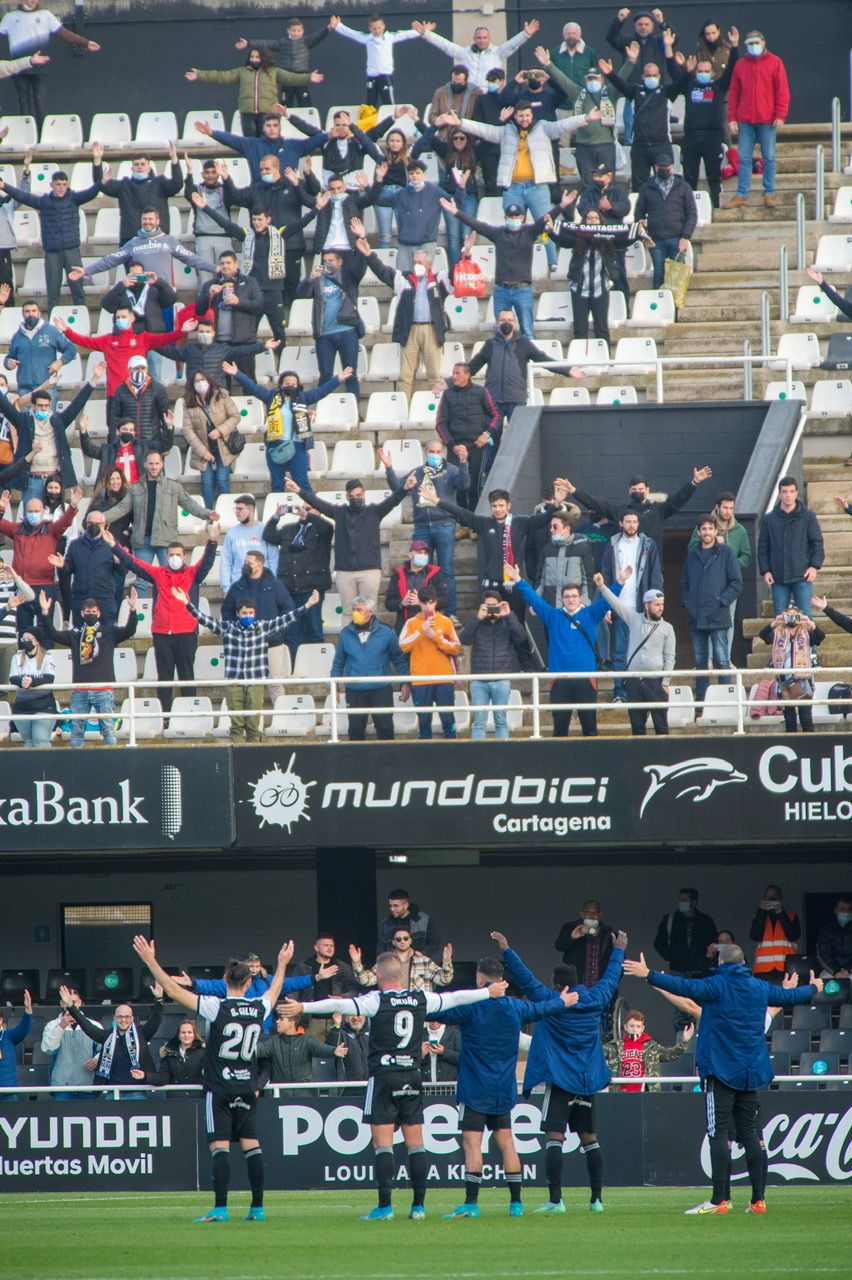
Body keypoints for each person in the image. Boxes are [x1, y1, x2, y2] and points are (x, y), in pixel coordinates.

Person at [278, 950, 508, 1220]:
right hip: (412, 1075)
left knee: (382, 1143)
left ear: (379, 975)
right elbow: (454, 998)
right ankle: (418, 1207)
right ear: (400, 975)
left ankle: (385, 1206)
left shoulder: (376, 1000)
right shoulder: (422, 998)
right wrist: (487, 992)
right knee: (416, 1144)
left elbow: (338, 1005)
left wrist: (303, 1007)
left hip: (384, 1076)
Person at [623, 943, 822, 1213]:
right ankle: (758, 1200)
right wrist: (814, 988)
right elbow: (788, 998)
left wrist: (649, 974)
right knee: (751, 1134)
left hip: (722, 1070)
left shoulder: (717, 985)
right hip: (751, 1071)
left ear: (721, 961)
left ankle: (720, 1200)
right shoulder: (758, 987)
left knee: (718, 1133)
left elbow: (686, 989)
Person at [132, 934, 295, 1222]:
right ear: (248, 983)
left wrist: (149, 960)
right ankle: (257, 1208)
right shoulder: (259, 1007)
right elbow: (276, 988)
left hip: (220, 1088)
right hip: (247, 1087)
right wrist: (282, 964)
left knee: (219, 1147)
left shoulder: (215, 1006)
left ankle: (221, 1208)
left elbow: (171, 988)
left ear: (225, 979)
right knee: (251, 1145)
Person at [491, 926, 627, 1213]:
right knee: (589, 1138)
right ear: (577, 982)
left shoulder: (551, 1001)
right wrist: (618, 951)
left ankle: (556, 1201)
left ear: (556, 985)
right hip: (586, 1079)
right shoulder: (596, 998)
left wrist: (506, 949)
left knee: (555, 1136)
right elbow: (611, 979)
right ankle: (597, 1200)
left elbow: (526, 980)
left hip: (559, 1079)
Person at [437, 955, 575, 1217]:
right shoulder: (515, 1007)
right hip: (503, 1087)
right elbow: (541, 1009)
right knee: (507, 1144)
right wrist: (562, 1001)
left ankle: (471, 1204)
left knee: (472, 1145)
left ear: (479, 979)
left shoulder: (470, 1007)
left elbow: (438, 1010)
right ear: (501, 980)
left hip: (474, 1088)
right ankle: (516, 1204)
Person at [441, 101, 590, 271]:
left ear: (531, 115)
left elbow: (564, 124)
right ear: (516, 117)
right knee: (510, 228)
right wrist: (461, 123)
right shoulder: (506, 131)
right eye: (521, 116)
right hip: (513, 188)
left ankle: (552, 263)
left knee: (545, 224)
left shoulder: (543, 127)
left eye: (527, 115)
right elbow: (484, 129)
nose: (524, 119)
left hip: (537, 186)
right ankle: (511, 263)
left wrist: (586, 118)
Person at [175, 585, 317, 742]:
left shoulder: (262, 627)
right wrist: (187, 604)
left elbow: (287, 618)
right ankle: (237, 759)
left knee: (253, 727)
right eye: (244, 613)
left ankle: (252, 758)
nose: (247, 616)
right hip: (234, 682)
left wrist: (308, 605)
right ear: (237, 614)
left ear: (255, 614)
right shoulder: (228, 628)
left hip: (255, 682)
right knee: (236, 728)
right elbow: (205, 620)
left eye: (250, 613)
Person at [102, 525, 217, 715]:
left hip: (187, 633)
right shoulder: (158, 574)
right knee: (164, 678)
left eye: (178, 554)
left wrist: (212, 541)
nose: (174, 558)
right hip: (162, 633)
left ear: (185, 556)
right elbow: (134, 564)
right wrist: (114, 545)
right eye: (171, 554)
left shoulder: (192, 574)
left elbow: (207, 562)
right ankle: (165, 715)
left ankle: (190, 714)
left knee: (187, 676)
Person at [506, 560, 628, 737]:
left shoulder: (590, 614)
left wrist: (621, 582)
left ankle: (591, 764)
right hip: (560, 680)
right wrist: (518, 579)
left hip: (586, 679)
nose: (571, 599)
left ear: (580, 598)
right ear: (562, 599)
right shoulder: (553, 616)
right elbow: (534, 599)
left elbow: (607, 601)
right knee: (559, 730)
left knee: (590, 729)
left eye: (574, 596)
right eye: (567, 596)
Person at [190, 192, 317, 342]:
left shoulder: (280, 234)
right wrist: (205, 207)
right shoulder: (246, 235)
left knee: (279, 334)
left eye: (260, 219)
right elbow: (226, 225)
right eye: (254, 219)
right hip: (252, 292)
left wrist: (317, 209)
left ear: (268, 220)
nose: (257, 222)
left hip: (273, 291)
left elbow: (300, 224)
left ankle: (280, 364)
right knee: (248, 334)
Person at [287, 475, 410, 622]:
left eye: (358, 495)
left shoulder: (374, 511)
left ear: (364, 494)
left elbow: (393, 501)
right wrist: (299, 491)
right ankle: (346, 644)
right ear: (346, 496)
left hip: (369, 570)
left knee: (369, 611)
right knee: (347, 613)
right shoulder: (339, 513)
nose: (355, 498)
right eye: (351, 496)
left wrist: (404, 488)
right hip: (345, 572)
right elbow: (318, 503)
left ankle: (370, 644)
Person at [224, 362, 349, 496]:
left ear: (298, 385)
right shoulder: (271, 397)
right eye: (287, 383)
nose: (290, 386)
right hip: (275, 446)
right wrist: (237, 374)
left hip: (298, 446)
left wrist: (338, 379)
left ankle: (311, 511)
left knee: (302, 484)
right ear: (281, 385)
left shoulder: (304, 397)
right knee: (277, 484)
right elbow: (253, 387)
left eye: (293, 384)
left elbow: (322, 391)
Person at [547, 195, 654, 342]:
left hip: (601, 289)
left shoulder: (609, 239)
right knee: (580, 329)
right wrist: (550, 231)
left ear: (601, 221)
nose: (593, 221)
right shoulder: (577, 238)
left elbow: (624, 239)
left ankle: (605, 361)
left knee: (602, 328)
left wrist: (638, 230)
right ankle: (579, 362)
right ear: (584, 221)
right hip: (579, 289)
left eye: (596, 218)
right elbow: (562, 239)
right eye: (589, 218)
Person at [40, 585, 138, 746]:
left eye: (93, 612)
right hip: (80, 689)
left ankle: (113, 764)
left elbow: (129, 630)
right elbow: (52, 634)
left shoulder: (109, 632)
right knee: (76, 731)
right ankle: (76, 767)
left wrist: (133, 610)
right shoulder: (75, 634)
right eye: (87, 611)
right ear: (81, 613)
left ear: (99, 613)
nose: (90, 614)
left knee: (108, 730)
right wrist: (45, 612)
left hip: (104, 690)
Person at [356, 239, 451, 401]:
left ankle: (437, 413)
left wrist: (467, 253)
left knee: (434, 375)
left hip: (432, 331)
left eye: (420, 261)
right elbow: (383, 271)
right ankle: (403, 411)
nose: (417, 265)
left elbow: (456, 274)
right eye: (415, 262)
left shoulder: (439, 279)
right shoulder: (404, 280)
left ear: (429, 263)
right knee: (405, 376)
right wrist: (369, 255)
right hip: (410, 330)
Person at [383, 439, 468, 619]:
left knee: (446, 570)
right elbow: (397, 487)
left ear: (443, 453)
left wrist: (463, 463)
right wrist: (389, 468)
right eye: (432, 451)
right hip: (422, 527)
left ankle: (450, 613)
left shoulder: (451, 470)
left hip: (444, 524)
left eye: (438, 452)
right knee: (419, 570)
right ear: (425, 452)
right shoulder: (418, 472)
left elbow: (464, 484)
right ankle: (420, 610)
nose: (435, 455)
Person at [102, 450, 216, 583]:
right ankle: (139, 604)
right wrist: (101, 518)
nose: (154, 466)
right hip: (142, 541)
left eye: (157, 463)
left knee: (169, 579)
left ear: (162, 464)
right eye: (151, 463)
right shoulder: (134, 488)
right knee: (141, 582)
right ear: (145, 464)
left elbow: (189, 504)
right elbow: (121, 508)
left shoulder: (174, 486)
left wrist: (207, 514)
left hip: (166, 540)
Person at [0, 167, 98, 313]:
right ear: (52, 185)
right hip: (52, 252)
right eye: (58, 184)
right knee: (53, 293)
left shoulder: (74, 199)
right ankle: (52, 322)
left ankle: (82, 320)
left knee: (78, 290)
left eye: (64, 184)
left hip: (72, 250)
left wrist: (98, 167)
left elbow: (93, 191)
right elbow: (23, 196)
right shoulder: (44, 202)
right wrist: (5, 186)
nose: (61, 187)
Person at [600, 32, 687, 192]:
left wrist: (686, 68)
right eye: (648, 75)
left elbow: (682, 82)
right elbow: (621, 85)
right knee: (639, 187)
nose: (651, 77)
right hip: (639, 146)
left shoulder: (667, 91)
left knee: (667, 185)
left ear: (660, 76)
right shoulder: (635, 90)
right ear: (642, 76)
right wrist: (610, 74)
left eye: (654, 75)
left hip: (661, 144)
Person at [562, 466, 712, 556]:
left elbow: (678, 500)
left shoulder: (658, 510)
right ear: (629, 491)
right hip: (627, 568)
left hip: (651, 565)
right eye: (634, 490)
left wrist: (694, 482)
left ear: (647, 490)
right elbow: (596, 504)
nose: (638, 492)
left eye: (641, 489)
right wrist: (574, 491)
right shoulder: (620, 511)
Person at [54, 309, 190, 404]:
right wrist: (67, 330)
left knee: (138, 436)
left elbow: (164, 339)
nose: (120, 320)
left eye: (123, 317)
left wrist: (181, 331)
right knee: (115, 438)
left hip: (138, 394)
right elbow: (84, 341)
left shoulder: (143, 339)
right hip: (115, 395)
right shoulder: (107, 341)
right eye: (118, 318)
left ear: (132, 318)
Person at [468, 310, 581, 422]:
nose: (506, 323)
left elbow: (543, 359)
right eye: (503, 320)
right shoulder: (490, 344)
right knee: (492, 438)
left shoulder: (523, 343)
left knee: (517, 436)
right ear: (497, 323)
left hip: (517, 399)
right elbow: (471, 367)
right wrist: (452, 381)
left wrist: (567, 370)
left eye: (510, 320)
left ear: (515, 323)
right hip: (493, 400)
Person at [0, 483, 83, 636]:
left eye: (36, 511)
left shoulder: (51, 529)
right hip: (21, 585)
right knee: (23, 628)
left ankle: (46, 657)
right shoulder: (17, 529)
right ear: (25, 512)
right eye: (30, 511)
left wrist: (72, 506)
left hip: (45, 585)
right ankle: (24, 657)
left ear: (43, 512)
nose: (33, 513)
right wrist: (1, 508)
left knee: (45, 627)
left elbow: (65, 522)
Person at [1, 371, 95, 503]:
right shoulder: (23, 420)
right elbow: (6, 408)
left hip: (54, 482)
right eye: (40, 406)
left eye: (46, 406)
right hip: (32, 480)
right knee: (31, 519)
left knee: (54, 521)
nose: (43, 409)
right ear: (33, 406)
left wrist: (93, 379)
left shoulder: (58, 421)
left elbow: (76, 405)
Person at [533, 49, 621, 186]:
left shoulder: (610, 92)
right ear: (585, 80)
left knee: (608, 184)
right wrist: (548, 64)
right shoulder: (578, 92)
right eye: (589, 78)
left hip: (605, 145)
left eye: (595, 78)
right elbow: (563, 80)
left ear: (602, 79)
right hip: (583, 147)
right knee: (587, 184)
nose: (592, 81)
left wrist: (631, 62)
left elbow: (622, 79)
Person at [599, 576, 675, 733]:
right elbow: (616, 604)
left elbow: (670, 657)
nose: (660, 608)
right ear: (647, 606)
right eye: (657, 605)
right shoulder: (634, 618)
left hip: (656, 682)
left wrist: (665, 682)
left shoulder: (668, 628)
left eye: (662, 605)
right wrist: (602, 586)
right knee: (637, 726)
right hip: (634, 681)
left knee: (661, 726)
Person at [185, 49, 319, 139]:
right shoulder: (242, 72)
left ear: (263, 58)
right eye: (252, 57)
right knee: (251, 145)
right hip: (247, 114)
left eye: (257, 57)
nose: (254, 59)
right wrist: (200, 75)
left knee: (268, 144)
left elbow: (291, 78)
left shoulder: (273, 71)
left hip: (268, 114)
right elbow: (221, 76)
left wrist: (308, 78)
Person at [682, 515, 743, 706]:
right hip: (696, 615)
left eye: (710, 528)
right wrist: (688, 603)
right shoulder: (692, 555)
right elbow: (684, 583)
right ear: (699, 532)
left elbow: (736, 583)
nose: (707, 532)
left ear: (716, 531)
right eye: (703, 529)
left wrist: (721, 601)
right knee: (700, 662)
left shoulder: (726, 552)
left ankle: (725, 701)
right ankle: (702, 702)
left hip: (718, 615)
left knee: (722, 659)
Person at [61, 982, 162, 1097]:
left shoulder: (141, 1034)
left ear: (132, 1018)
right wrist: (71, 1007)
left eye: (126, 1017)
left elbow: (155, 1021)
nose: (123, 1020)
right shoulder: (107, 1036)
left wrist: (159, 1000)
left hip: (137, 1092)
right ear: (115, 1018)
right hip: (112, 1093)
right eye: (120, 1016)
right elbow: (86, 1025)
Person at [330, 596, 409, 741]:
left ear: (370, 612)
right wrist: (334, 688)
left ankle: (387, 762)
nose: (355, 613)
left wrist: (406, 682)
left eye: (359, 610)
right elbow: (338, 662)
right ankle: (357, 762)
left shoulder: (387, 632)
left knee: (385, 729)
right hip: (355, 690)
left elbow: (398, 658)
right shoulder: (345, 634)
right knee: (355, 731)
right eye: (354, 610)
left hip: (381, 688)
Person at [675, 30, 740, 208]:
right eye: (700, 71)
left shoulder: (718, 86)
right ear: (696, 72)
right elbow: (675, 79)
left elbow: (732, 69)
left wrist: (734, 48)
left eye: (706, 71)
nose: (703, 73)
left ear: (712, 73)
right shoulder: (690, 85)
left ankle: (716, 208)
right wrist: (681, 66)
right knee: (690, 178)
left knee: (713, 177)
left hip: (712, 137)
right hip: (691, 138)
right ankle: (689, 210)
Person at [221, 549, 295, 703]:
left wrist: (277, 632)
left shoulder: (275, 585)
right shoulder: (237, 587)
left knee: (275, 685)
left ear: (259, 565)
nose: (245, 566)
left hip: (272, 644)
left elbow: (289, 608)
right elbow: (226, 612)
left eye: (249, 563)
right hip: (246, 646)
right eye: (245, 562)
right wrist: (235, 634)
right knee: (249, 688)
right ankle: (252, 723)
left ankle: (282, 720)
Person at [727, 32, 790, 209]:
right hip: (745, 119)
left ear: (764, 42)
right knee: (744, 157)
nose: (754, 45)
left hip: (767, 118)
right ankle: (742, 194)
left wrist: (780, 114)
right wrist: (732, 117)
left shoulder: (775, 62)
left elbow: (782, 91)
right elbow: (734, 93)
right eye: (750, 43)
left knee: (769, 157)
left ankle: (770, 192)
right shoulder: (740, 65)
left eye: (757, 42)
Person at [293, 247, 366, 399]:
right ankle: (323, 410)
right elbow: (300, 294)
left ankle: (353, 411)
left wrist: (361, 244)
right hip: (324, 334)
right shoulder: (318, 279)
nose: (327, 264)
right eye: (325, 261)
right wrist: (310, 279)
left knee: (350, 374)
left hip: (347, 331)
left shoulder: (348, 276)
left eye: (331, 260)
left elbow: (361, 266)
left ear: (339, 262)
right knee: (325, 376)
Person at [263, 500, 333, 654]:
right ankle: (294, 669)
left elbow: (328, 528)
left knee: (314, 630)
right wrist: (276, 516)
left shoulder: (322, 530)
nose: (304, 510)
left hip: (312, 589)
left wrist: (309, 516)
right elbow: (268, 535)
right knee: (292, 633)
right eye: (303, 508)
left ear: (319, 512)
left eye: (309, 508)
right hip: (290, 589)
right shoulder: (289, 529)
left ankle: (316, 670)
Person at [460, 589, 527, 740]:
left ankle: (502, 758)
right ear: (482, 606)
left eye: (494, 605)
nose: (491, 609)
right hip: (479, 679)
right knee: (478, 722)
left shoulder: (508, 620)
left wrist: (508, 615)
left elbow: (521, 638)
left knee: (501, 721)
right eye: (488, 605)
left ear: (500, 605)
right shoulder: (476, 620)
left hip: (502, 679)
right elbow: (464, 639)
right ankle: (478, 758)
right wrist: (477, 618)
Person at [434, 363, 500, 510]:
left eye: (457, 373)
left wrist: (487, 434)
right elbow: (440, 423)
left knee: (474, 486)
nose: (454, 376)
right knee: (458, 486)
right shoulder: (448, 394)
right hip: (456, 448)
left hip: (477, 447)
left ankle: (474, 524)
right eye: (453, 373)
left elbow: (496, 415)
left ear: (467, 375)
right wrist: (452, 445)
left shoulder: (481, 392)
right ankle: (462, 524)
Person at [399, 585, 461, 739]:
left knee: (448, 721)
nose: (428, 606)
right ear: (419, 603)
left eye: (431, 602)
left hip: (443, 679)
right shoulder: (411, 623)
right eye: (424, 603)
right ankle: (424, 759)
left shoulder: (446, 621)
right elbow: (403, 645)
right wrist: (421, 630)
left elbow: (456, 648)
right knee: (424, 723)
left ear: (436, 602)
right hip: (420, 680)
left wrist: (434, 636)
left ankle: (452, 757)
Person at [92, 140, 182, 247]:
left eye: (143, 164)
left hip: (156, 238)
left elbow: (177, 184)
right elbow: (101, 185)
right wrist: (97, 160)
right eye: (136, 164)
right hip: (130, 238)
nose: (139, 167)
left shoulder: (159, 183)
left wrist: (174, 159)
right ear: (132, 168)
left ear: (149, 168)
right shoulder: (124, 185)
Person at [757, 475, 823, 618]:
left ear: (797, 493)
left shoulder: (808, 516)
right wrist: (765, 571)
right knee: (780, 619)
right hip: (778, 577)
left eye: (792, 491)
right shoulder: (769, 519)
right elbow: (763, 548)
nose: (788, 495)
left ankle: (808, 642)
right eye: (785, 492)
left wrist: (814, 566)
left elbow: (817, 543)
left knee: (805, 618)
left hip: (802, 576)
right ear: (779, 493)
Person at [414, 18, 540, 91]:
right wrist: (426, 34)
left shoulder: (497, 52)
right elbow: (445, 45)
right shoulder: (464, 53)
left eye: (485, 37)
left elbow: (512, 44)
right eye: (479, 37)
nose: (482, 40)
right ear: (474, 38)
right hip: (468, 95)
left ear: (489, 38)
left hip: (490, 95)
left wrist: (525, 34)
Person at [370, 158, 450, 273]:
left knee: (424, 280)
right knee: (403, 280)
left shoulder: (435, 191)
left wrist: (462, 187)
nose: (414, 176)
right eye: (411, 173)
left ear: (424, 174)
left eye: (417, 173)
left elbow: (454, 201)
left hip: (426, 244)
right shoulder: (401, 193)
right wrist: (377, 182)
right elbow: (379, 200)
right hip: (405, 244)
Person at [234, 19, 332, 108]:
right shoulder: (282, 42)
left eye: (298, 31)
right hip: (286, 77)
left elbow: (318, 36)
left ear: (302, 31)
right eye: (293, 30)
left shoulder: (306, 41)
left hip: (302, 77)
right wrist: (248, 43)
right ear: (288, 31)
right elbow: (267, 43)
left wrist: (328, 28)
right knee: (285, 104)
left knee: (305, 104)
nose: (296, 33)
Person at [634, 153, 697, 288]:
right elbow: (638, 214)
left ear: (672, 167)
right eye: (660, 167)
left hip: (677, 237)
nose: (663, 170)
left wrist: (685, 237)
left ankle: (676, 307)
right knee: (659, 273)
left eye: (666, 167)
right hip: (655, 239)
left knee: (677, 277)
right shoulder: (646, 188)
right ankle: (660, 305)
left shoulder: (684, 187)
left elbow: (692, 214)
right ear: (656, 168)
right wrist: (644, 236)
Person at [181, 370, 242, 511]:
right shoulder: (188, 401)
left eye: (202, 379)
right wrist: (203, 453)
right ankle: (208, 514)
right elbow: (187, 430)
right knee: (207, 482)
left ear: (209, 380)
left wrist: (220, 430)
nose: (200, 383)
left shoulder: (222, 394)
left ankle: (228, 512)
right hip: (203, 449)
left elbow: (235, 416)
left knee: (222, 479)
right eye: (196, 381)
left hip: (224, 447)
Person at [329, 13, 419, 107]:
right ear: (370, 29)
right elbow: (353, 34)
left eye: (379, 28)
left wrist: (422, 31)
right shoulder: (368, 39)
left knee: (389, 105)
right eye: (374, 28)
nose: (377, 31)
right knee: (370, 105)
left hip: (385, 76)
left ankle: (392, 120)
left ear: (383, 26)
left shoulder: (389, 37)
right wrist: (339, 26)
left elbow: (405, 35)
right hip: (372, 77)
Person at [756, 608, 823, 733]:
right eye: (788, 616)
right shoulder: (777, 633)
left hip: (803, 681)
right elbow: (763, 635)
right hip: (784, 682)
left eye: (795, 616)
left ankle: (811, 747)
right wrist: (775, 623)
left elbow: (820, 637)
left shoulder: (806, 633)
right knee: (790, 720)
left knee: (806, 718)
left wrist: (810, 623)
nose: (792, 619)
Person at [195, 251, 264, 374]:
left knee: (248, 380)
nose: (225, 266)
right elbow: (199, 310)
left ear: (236, 264)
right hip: (219, 342)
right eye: (222, 263)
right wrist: (208, 295)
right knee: (222, 383)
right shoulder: (210, 284)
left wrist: (239, 302)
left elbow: (259, 306)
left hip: (244, 341)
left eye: (229, 263)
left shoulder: (250, 282)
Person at [604, 1010, 693, 1091]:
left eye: (638, 1026)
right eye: (632, 1026)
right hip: (619, 1094)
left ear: (642, 1028)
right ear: (626, 1027)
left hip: (645, 1094)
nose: (634, 1029)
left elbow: (670, 1055)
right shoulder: (614, 1046)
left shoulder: (651, 1047)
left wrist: (684, 1041)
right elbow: (596, 1055)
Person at [4, 298, 76, 398]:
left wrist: (60, 362)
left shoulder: (51, 331)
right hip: (24, 389)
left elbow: (71, 349)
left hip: (47, 387)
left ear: (39, 313)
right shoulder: (17, 336)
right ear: (23, 314)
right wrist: (8, 362)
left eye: (34, 311)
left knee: (48, 414)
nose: (31, 314)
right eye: (27, 311)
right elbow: (9, 357)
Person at [257, 1011, 344, 1089]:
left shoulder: (305, 1041)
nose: (277, 1022)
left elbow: (319, 1049)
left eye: (281, 1019)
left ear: (291, 1023)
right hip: (281, 1096)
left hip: (304, 1095)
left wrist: (333, 1051)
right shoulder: (273, 1041)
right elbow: (258, 1050)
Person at [41, 987, 100, 1097]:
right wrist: (61, 1026)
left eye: (73, 1002)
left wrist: (97, 1059)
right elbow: (48, 1050)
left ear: (80, 1003)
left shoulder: (94, 1025)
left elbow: (107, 1050)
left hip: (87, 1086)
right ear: (61, 1003)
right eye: (66, 1001)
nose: (70, 1005)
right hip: (61, 1087)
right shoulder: (52, 1025)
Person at [109, 356, 173, 455]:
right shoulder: (121, 390)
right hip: (129, 443)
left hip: (152, 443)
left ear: (147, 369)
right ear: (129, 370)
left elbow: (166, 417)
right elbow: (114, 419)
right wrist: (115, 443)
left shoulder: (158, 388)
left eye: (142, 368)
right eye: (136, 368)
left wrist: (164, 444)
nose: (140, 371)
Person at [385, 540, 449, 634]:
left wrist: (422, 603)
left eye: (425, 553)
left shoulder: (435, 574)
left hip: (430, 625)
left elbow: (445, 600)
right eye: (419, 552)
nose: (423, 555)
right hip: (405, 626)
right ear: (410, 554)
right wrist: (401, 603)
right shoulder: (398, 575)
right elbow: (388, 603)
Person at [101, 261, 178, 338]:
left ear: (144, 274)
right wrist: (121, 285)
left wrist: (158, 282)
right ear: (128, 275)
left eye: (139, 275)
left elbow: (171, 300)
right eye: (134, 276)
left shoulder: (153, 289)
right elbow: (107, 305)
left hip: (153, 336)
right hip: (127, 338)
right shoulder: (121, 290)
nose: (137, 278)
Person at [654, 888, 718, 978]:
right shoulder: (670, 920)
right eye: (680, 900)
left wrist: (705, 959)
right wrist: (672, 956)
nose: (681, 903)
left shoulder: (705, 921)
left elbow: (713, 943)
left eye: (684, 900)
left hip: (700, 969)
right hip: (677, 969)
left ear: (693, 902)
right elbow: (659, 943)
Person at [220, 494, 277, 593]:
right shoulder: (231, 532)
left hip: (263, 586)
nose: (237, 512)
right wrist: (226, 588)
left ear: (250, 510)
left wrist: (272, 582)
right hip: (238, 586)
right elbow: (226, 561)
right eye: (236, 509)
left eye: (240, 509)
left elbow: (274, 558)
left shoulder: (265, 530)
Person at [9, 626, 54, 746]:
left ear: (37, 641)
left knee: (41, 740)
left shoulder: (47, 656)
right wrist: (22, 681)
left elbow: (49, 677)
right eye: (24, 638)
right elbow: (13, 677)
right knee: (28, 742)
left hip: (43, 705)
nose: (26, 641)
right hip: (22, 706)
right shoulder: (17, 657)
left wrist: (31, 681)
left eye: (29, 638)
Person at [554, 900, 616, 983]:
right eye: (588, 912)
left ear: (600, 915)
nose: (591, 915)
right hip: (576, 986)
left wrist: (611, 982)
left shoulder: (608, 933)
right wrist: (572, 938)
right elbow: (559, 946)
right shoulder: (570, 927)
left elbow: (617, 961)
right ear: (582, 914)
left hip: (601, 987)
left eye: (595, 912)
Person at [749, 886, 801, 977]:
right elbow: (755, 936)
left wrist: (780, 912)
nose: (771, 899)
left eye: (774, 896)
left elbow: (794, 936)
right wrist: (761, 911)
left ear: (780, 898)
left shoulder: (791, 915)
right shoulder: (760, 916)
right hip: (763, 969)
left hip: (786, 968)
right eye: (768, 897)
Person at [377, 890, 441, 960]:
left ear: (406, 905)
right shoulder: (385, 924)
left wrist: (423, 954)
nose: (392, 909)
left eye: (396, 906)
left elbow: (435, 942)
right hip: (394, 967)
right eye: (390, 905)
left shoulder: (423, 920)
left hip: (418, 965)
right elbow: (380, 949)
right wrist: (386, 962)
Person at [152, 1020, 205, 1091]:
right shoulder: (169, 1053)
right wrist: (145, 1076)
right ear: (179, 1035)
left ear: (194, 1035)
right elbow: (162, 1079)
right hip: (175, 1099)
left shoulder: (203, 1052)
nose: (186, 1035)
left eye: (189, 1032)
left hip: (197, 1098)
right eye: (183, 1032)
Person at [0, 989, 32, 1098]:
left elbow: (23, 1029)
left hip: (8, 1093)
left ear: (0, 1020)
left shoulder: (8, 1036)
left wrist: (28, 1009)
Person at [549, 21, 597, 87]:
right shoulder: (555, 53)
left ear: (580, 35)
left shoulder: (589, 52)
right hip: (560, 92)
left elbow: (596, 73)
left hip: (583, 93)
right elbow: (548, 74)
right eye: (568, 33)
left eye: (574, 33)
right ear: (564, 35)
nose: (571, 36)